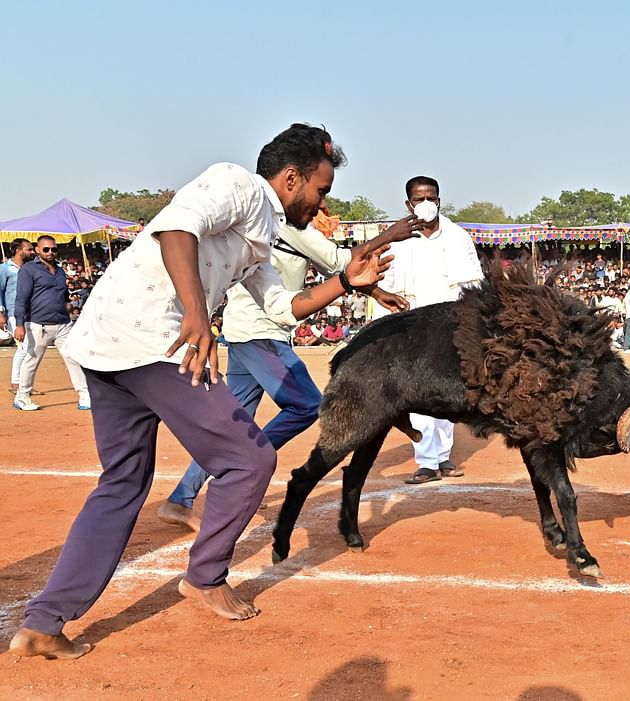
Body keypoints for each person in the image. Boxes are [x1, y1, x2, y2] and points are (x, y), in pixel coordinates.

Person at [8, 124, 392, 660]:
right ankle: (205, 576)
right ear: (290, 178)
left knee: (122, 483)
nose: (322, 202)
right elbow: (177, 228)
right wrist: (196, 314)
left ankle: (43, 624)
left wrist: (346, 283)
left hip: (107, 344)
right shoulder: (236, 183)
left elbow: (282, 309)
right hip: (151, 339)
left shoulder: (261, 234)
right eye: (321, 190)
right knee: (250, 460)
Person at [156, 210, 415, 532]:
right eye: (319, 196)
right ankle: (245, 464)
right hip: (261, 332)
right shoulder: (291, 225)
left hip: (243, 331)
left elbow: (337, 273)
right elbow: (340, 260)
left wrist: (376, 293)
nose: (322, 207)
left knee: (235, 424)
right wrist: (390, 233)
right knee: (306, 406)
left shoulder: (273, 226)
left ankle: (180, 499)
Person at [372, 175, 483, 485]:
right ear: (408, 204)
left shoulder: (458, 237)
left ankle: (444, 457)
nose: (425, 203)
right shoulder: (398, 239)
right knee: (417, 395)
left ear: (439, 200)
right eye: (418, 198)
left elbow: (473, 284)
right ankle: (425, 461)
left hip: (451, 326)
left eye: (430, 197)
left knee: (448, 393)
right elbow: (387, 288)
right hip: (413, 329)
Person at [11, 235, 90, 410]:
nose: (50, 252)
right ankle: (22, 396)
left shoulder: (60, 270)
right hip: (39, 323)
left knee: (73, 358)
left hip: (63, 322)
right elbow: (22, 298)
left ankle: (85, 395)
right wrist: (19, 324)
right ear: (38, 250)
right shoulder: (29, 270)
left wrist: (70, 297)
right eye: (46, 249)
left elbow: (61, 295)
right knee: (32, 360)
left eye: (53, 249)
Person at [1, 238, 34, 393]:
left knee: (30, 349)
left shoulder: (31, 267)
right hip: (13, 312)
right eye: (29, 249)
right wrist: (1, 313)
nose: (32, 252)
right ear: (18, 250)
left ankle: (23, 384)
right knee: (24, 347)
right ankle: (16, 384)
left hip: (31, 313)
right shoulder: (4, 268)